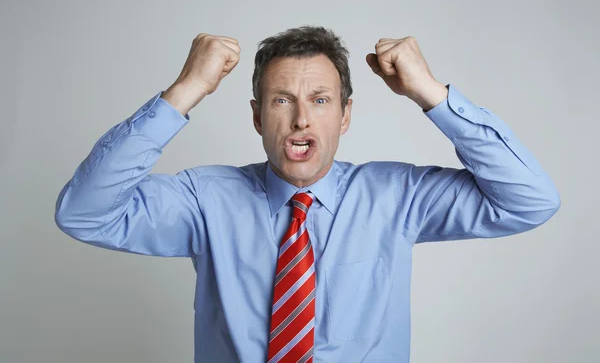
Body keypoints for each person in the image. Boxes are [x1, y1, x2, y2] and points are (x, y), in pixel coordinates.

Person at [54, 26, 561, 363]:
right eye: (282, 100)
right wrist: (187, 89)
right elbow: (83, 213)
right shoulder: (204, 200)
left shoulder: (398, 195)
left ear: (344, 115)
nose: (301, 119)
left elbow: (529, 200)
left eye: (320, 100)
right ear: (256, 116)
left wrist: (430, 93)